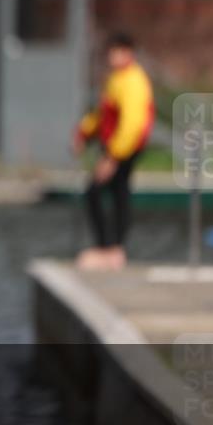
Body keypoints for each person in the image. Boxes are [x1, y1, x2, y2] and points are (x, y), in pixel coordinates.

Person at [72, 32, 154, 271]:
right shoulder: (116, 79)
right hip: (116, 147)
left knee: (96, 191)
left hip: (124, 148)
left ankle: (110, 248)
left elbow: (131, 124)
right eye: (111, 52)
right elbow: (103, 114)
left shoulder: (133, 81)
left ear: (129, 53)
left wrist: (113, 156)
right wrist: (83, 133)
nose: (112, 56)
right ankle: (112, 249)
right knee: (118, 194)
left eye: (118, 51)